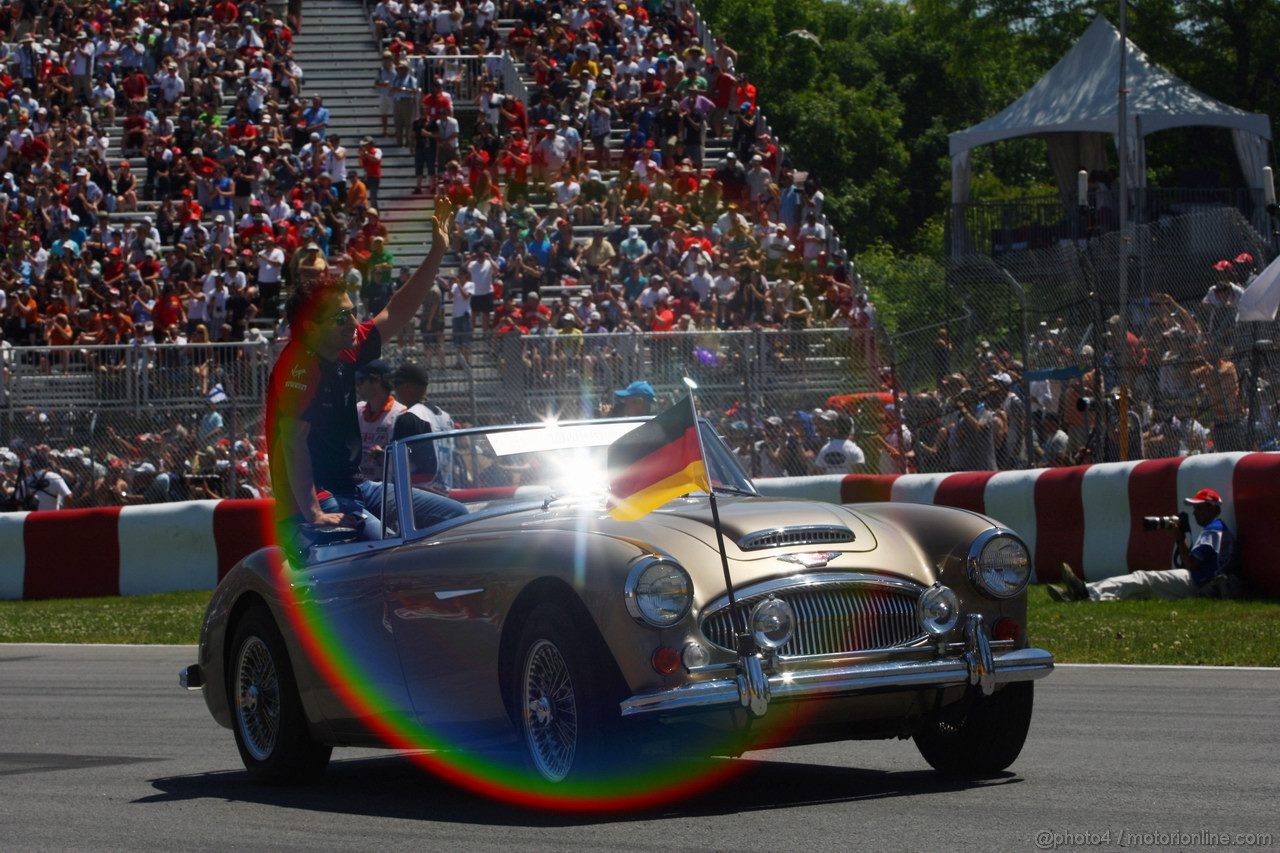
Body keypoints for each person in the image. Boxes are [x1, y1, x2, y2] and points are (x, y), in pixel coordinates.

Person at [266, 200, 453, 545]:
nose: (355, 323)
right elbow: (293, 443)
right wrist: (313, 512)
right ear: (310, 326)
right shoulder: (298, 365)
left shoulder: (343, 344)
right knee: (386, 548)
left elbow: (396, 312)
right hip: (318, 496)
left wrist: (437, 252)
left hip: (356, 485)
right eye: (342, 317)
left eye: (353, 312)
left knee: (454, 518)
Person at [1053, 488, 1239, 602]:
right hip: (1203, 581)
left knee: (1143, 579)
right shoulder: (1219, 530)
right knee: (1141, 588)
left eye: (1199, 508)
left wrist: (1179, 539)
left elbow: (1191, 564)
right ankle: (1083, 594)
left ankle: (1085, 590)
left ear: (1212, 508)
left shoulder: (1214, 530)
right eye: (1195, 508)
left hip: (1198, 582)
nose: (1195, 513)